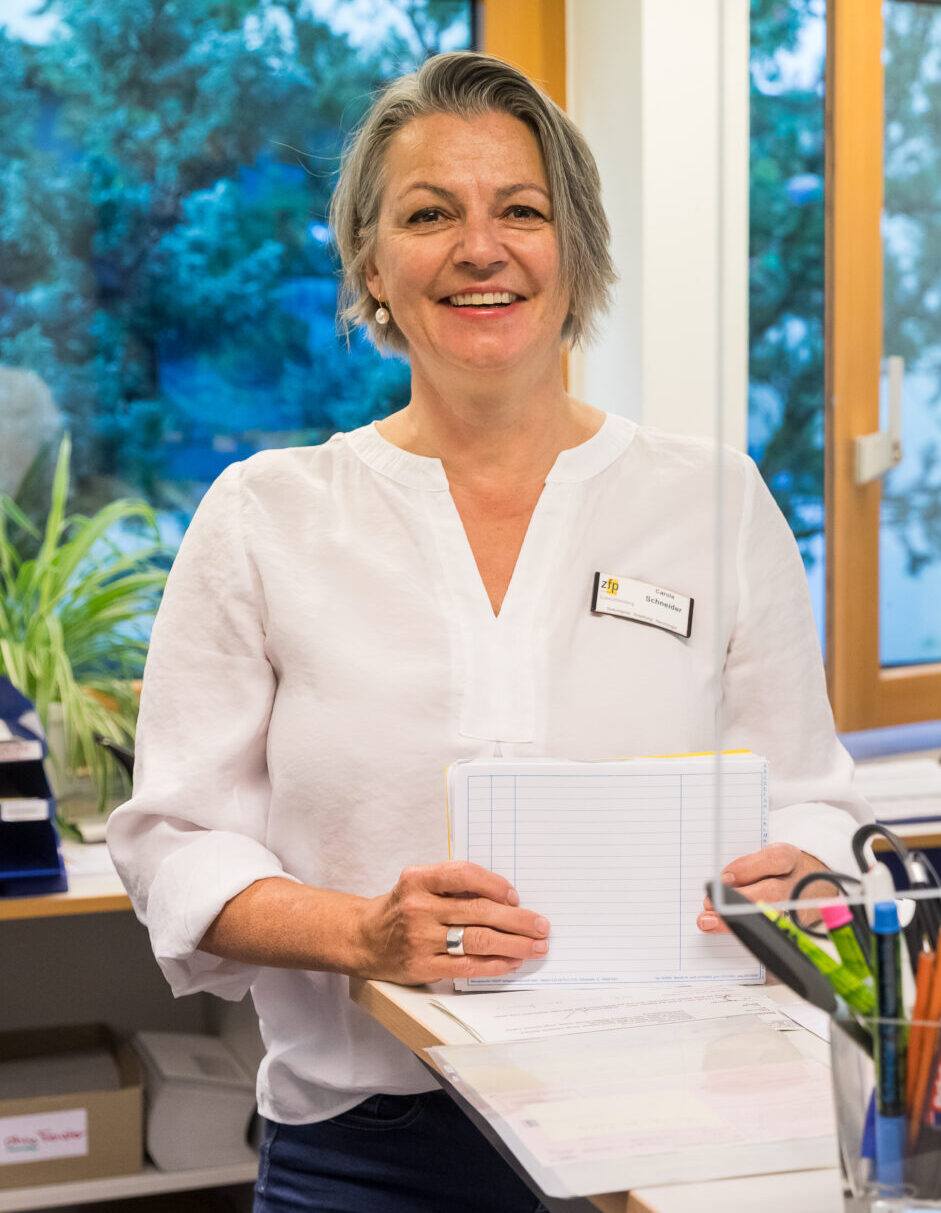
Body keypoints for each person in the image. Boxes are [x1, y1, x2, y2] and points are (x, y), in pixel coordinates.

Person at [107, 50, 868, 1213]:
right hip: (369, 1152)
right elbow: (174, 841)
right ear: (370, 259)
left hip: (680, 1129)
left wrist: (806, 868)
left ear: (578, 251)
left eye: (522, 209)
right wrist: (364, 932)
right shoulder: (266, 514)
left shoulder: (711, 500)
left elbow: (814, 795)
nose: (481, 247)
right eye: (429, 214)